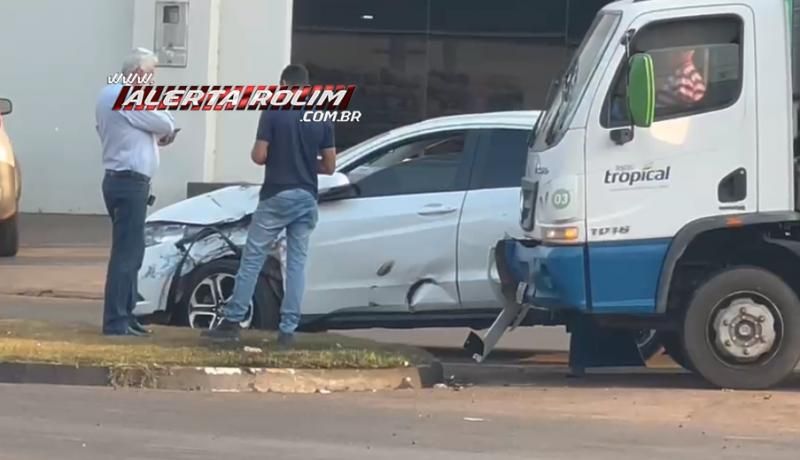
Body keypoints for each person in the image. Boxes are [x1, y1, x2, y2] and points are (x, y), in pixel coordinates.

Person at [203, 64, 336, 344]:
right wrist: (303, 163)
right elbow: (330, 165)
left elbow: (259, 156)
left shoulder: (274, 111)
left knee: (252, 259)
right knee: (296, 264)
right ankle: (288, 330)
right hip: (306, 197)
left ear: (284, 84)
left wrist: (281, 157)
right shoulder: (322, 116)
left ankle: (232, 321)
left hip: (276, 195)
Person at [95, 48, 178, 336]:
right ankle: (117, 320)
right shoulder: (128, 95)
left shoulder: (110, 93)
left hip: (119, 179)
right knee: (127, 255)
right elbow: (165, 122)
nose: (153, 81)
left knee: (131, 252)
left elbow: (155, 123)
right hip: (130, 183)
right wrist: (160, 128)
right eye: (151, 74)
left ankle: (126, 314)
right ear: (140, 74)